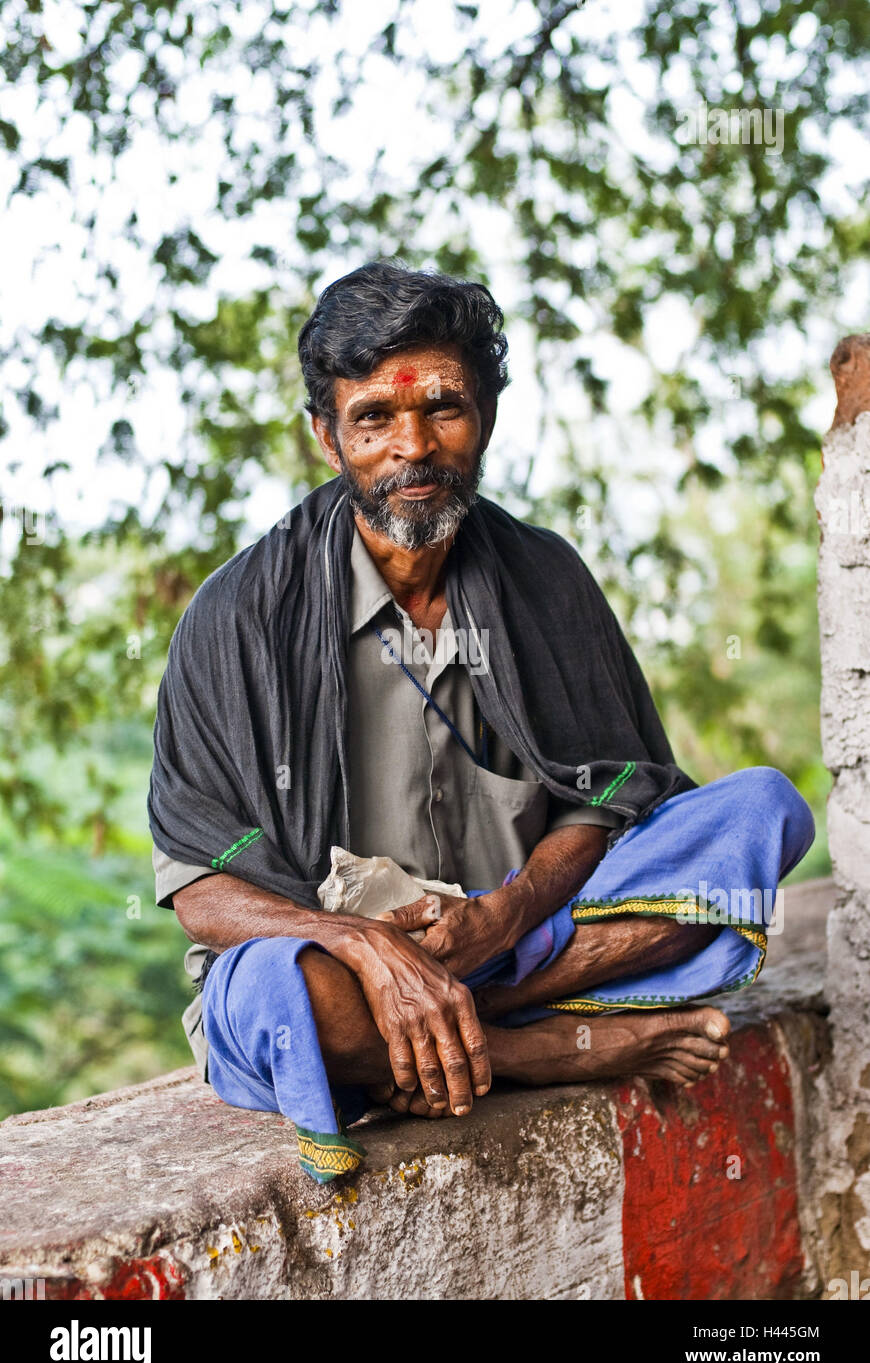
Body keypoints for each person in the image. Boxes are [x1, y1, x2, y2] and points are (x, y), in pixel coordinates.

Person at [148, 261, 815, 1182]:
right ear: (326, 437)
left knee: (760, 818)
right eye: (375, 416)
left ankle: (460, 1029)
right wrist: (370, 947)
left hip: (527, 941)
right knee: (281, 993)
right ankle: (530, 1053)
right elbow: (200, 885)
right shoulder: (236, 617)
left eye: (443, 409)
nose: (411, 446)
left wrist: (505, 917)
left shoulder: (546, 578)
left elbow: (604, 801)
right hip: (341, 969)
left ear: (487, 416)